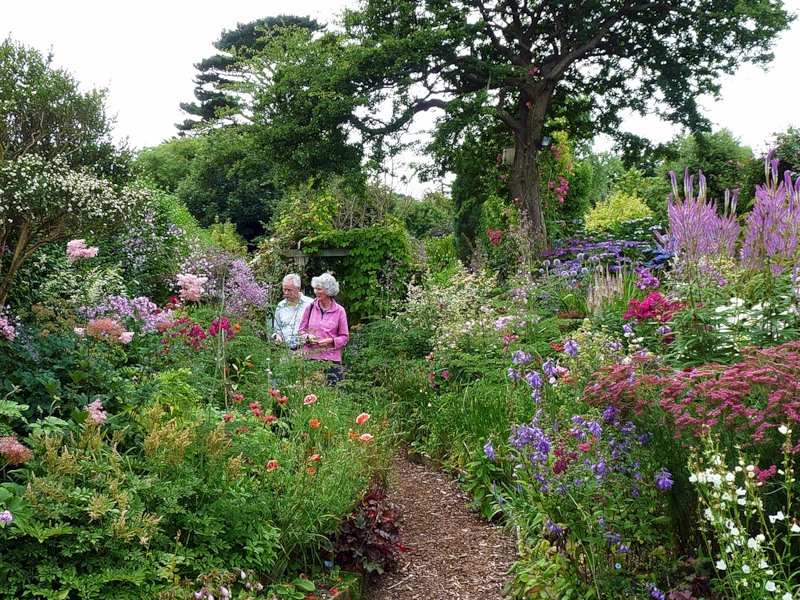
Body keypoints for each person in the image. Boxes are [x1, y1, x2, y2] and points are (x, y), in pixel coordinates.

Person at [298, 272, 349, 386]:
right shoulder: (310, 308)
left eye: (319, 289)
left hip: (331, 359)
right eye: (315, 288)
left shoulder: (339, 311)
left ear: (328, 291)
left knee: (337, 393)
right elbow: (301, 331)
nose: (316, 292)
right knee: (311, 392)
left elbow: (345, 338)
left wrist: (331, 341)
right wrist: (308, 337)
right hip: (311, 357)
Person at [270, 274, 313, 350]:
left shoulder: (310, 304)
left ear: (298, 289)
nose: (286, 293)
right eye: (284, 289)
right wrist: (278, 337)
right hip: (286, 352)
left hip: (305, 350)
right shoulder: (281, 306)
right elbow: (277, 329)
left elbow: (316, 328)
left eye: (289, 290)